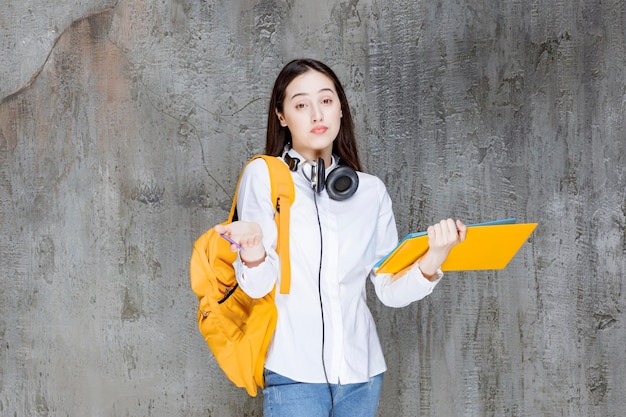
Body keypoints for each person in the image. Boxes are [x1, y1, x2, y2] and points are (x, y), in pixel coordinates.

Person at [214, 58, 467, 417]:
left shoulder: (370, 191)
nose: (317, 114)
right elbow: (257, 287)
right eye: (301, 105)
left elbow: (389, 289)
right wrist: (252, 250)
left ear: (341, 109)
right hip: (293, 371)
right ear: (282, 116)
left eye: (327, 101)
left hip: (361, 374)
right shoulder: (264, 176)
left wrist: (435, 256)